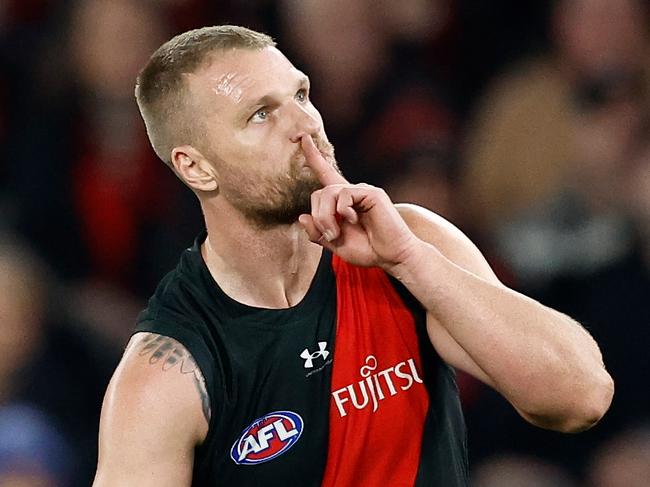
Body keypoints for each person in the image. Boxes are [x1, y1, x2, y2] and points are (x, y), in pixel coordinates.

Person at [92, 26, 614, 487]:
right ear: (196, 168)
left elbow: (581, 398)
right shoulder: (166, 375)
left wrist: (409, 260)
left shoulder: (409, 244)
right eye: (259, 115)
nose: (303, 125)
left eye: (300, 93)